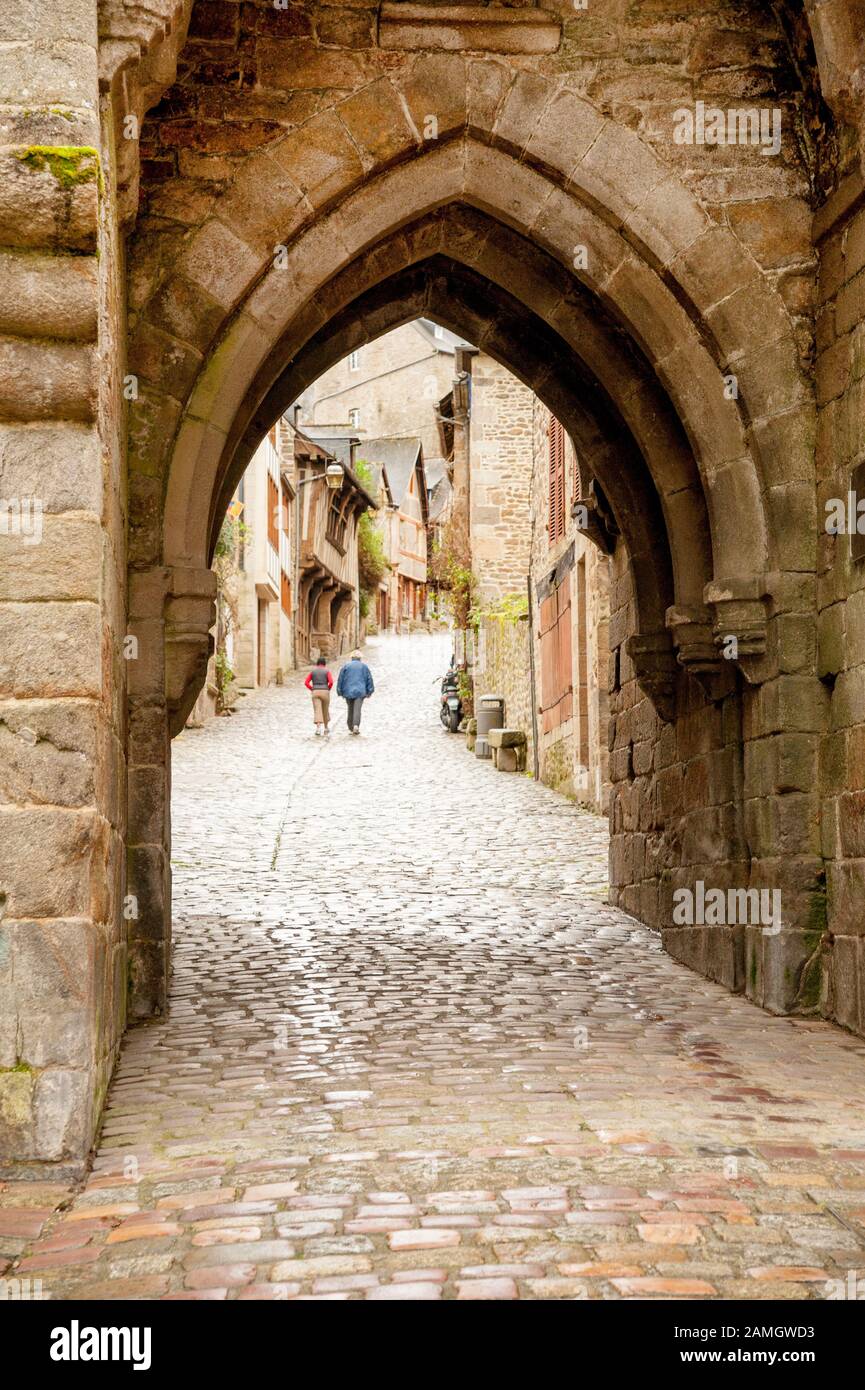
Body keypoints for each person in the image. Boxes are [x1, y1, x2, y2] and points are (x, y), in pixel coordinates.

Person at [336, 648, 374, 734]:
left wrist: (339, 691)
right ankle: (356, 725)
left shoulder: (346, 666)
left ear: (351, 657)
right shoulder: (364, 667)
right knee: (357, 709)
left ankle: (350, 727)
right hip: (360, 691)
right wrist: (370, 691)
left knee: (350, 709)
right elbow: (369, 679)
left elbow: (340, 679)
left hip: (348, 691)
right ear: (360, 658)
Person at [305, 655, 333, 735]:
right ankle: (326, 728)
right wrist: (328, 688)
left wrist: (312, 689)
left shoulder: (313, 672)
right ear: (324, 663)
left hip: (315, 692)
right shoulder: (327, 671)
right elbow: (331, 682)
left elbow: (306, 682)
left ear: (317, 663)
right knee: (325, 709)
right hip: (325, 691)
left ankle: (318, 728)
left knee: (317, 710)